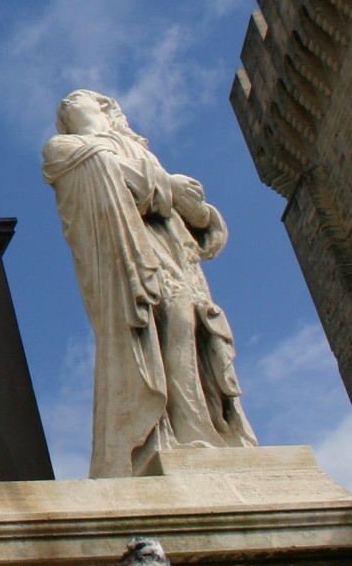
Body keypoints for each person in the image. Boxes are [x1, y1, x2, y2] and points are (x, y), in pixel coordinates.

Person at [42, 90, 257, 478]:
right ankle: (171, 429)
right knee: (166, 318)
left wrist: (198, 210)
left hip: (168, 250)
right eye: (65, 107)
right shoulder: (64, 148)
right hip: (126, 259)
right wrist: (168, 188)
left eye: (79, 99)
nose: (67, 106)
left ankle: (197, 427)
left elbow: (193, 219)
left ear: (106, 108)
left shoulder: (138, 151)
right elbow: (107, 172)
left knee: (192, 323)